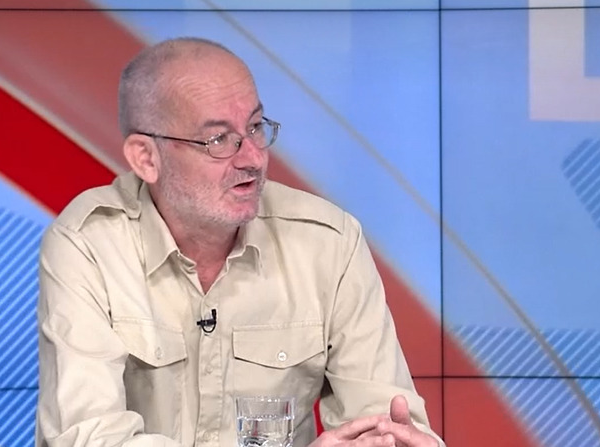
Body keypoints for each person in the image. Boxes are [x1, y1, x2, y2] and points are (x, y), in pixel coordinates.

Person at [35, 37, 445, 447]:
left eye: (254, 127)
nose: (253, 158)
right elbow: (87, 437)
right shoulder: (89, 243)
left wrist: (396, 441)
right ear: (146, 158)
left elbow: (384, 421)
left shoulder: (328, 242)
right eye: (218, 139)